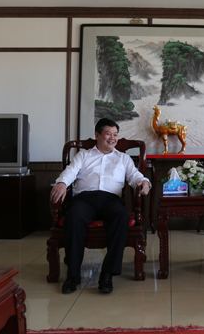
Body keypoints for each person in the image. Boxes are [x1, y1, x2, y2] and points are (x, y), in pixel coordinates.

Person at [50, 118, 150, 294]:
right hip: (84, 200)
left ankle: (107, 274)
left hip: (111, 200)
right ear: (97, 135)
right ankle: (73, 276)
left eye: (115, 135)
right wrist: (62, 183)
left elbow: (135, 176)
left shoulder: (123, 158)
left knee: (121, 216)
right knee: (74, 217)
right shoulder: (83, 156)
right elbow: (70, 172)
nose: (113, 138)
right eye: (108, 134)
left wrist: (144, 182)